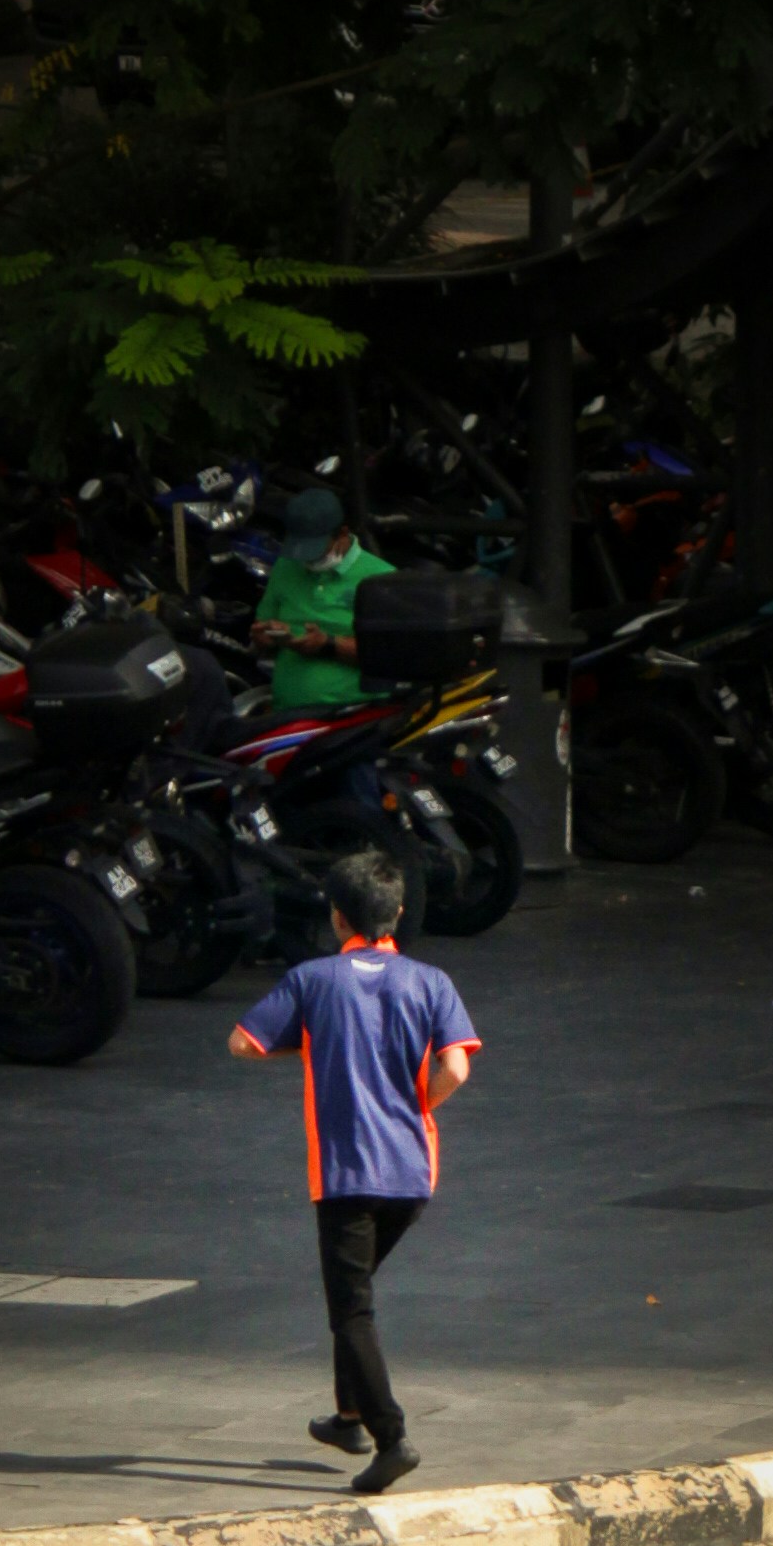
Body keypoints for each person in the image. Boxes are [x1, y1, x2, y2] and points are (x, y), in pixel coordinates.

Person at [228, 848, 477, 1493]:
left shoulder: (313, 980)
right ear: (398, 913)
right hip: (413, 1172)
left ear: (337, 917)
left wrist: (311, 1043)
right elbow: (456, 1068)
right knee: (354, 1288)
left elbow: (243, 1042)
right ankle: (346, 1416)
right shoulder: (431, 981)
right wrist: (417, 1105)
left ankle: (390, 1437)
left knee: (351, 1310)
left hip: (344, 1175)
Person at [250, 484, 392, 713]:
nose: (307, 560)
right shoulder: (287, 566)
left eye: (315, 551)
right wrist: (266, 637)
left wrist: (328, 645)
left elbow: (391, 655)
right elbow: (263, 624)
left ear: (343, 534)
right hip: (288, 710)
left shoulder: (381, 578)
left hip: (354, 712)